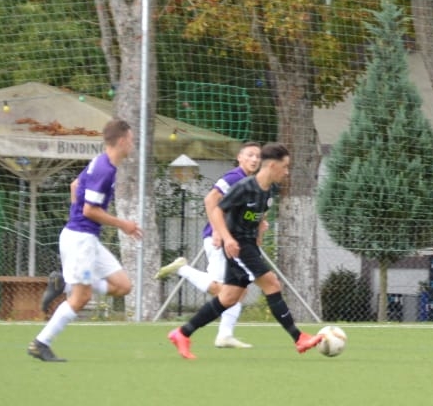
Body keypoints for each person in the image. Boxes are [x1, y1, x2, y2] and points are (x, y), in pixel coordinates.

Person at [166, 143, 323, 359]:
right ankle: (299, 338)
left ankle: (182, 333)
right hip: (238, 247)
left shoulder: (270, 190)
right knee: (272, 284)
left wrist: (259, 232)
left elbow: (260, 215)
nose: (287, 172)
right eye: (285, 166)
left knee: (229, 298)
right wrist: (227, 238)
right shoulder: (244, 187)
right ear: (272, 165)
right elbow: (218, 210)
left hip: (249, 246)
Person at [27, 118, 141, 362]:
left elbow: (75, 185)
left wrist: (77, 218)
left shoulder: (101, 162)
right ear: (122, 141)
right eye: (131, 140)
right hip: (80, 241)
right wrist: (124, 225)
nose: (133, 144)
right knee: (82, 298)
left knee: (123, 286)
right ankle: (40, 343)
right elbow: (90, 210)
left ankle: (65, 284)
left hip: (86, 238)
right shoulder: (105, 170)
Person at [154, 140, 263, 348]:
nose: (254, 159)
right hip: (220, 240)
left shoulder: (251, 182)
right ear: (239, 157)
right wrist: (217, 230)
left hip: (233, 241)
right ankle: (183, 270)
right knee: (226, 291)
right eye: (250, 155)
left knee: (238, 291)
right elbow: (210, 199)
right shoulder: (234, 177)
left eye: (258, 156)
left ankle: (225, 335)